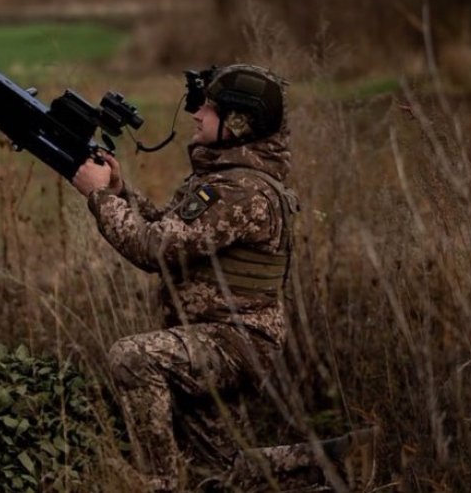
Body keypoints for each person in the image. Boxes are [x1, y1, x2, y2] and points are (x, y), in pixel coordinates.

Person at [71, 64, 303, 490]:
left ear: (237, 124)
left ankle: (158, 484)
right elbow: (169, 231)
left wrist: (99, 197)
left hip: (234, 342)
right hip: (219, 337)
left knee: (134, 357)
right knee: (212, 474)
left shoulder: (240, 191)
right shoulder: (227, 180)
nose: (197, 115)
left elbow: (153, 251)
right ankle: (323, 462)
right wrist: (122, 192)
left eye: (209, 109)